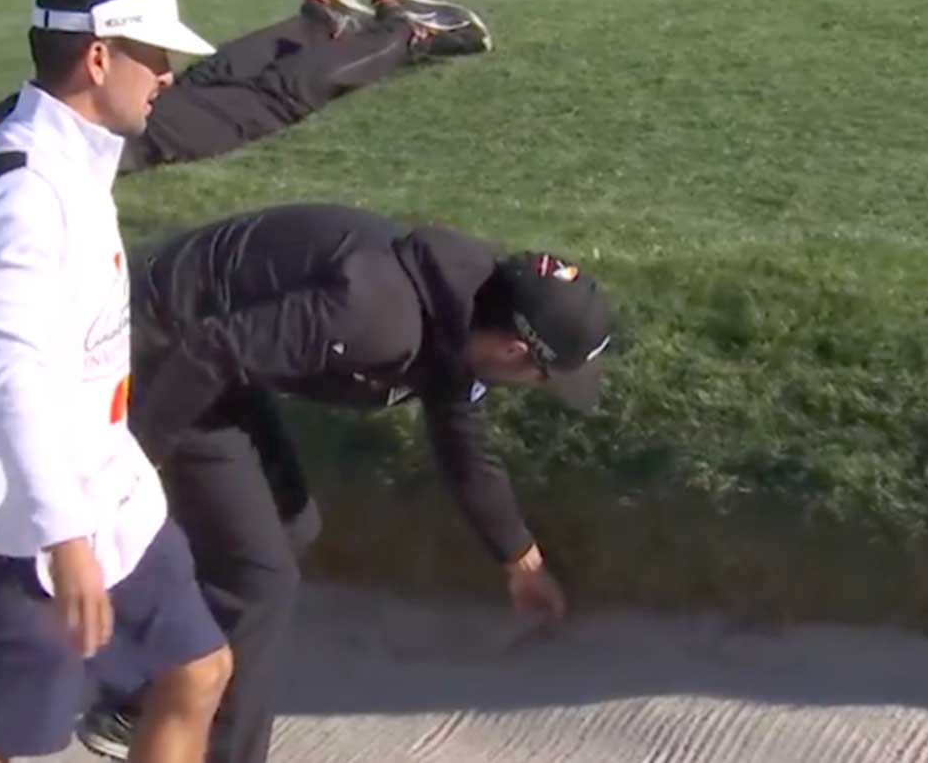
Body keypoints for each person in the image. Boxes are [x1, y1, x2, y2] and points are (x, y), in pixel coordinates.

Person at [78, 203, 614, 762]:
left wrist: (519, 558)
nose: (533, 385)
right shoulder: (376, 317)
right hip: (151, 348)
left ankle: (150, 701)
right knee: (260, 575)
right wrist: (127, 473)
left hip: (216, 352)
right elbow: (206, 353)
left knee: (290, 527)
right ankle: (208, 739)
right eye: (542, 376)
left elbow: (463, 447)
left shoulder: (463, 316)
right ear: (514, 350)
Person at [0, 0, 494, 366]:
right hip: (66, 115)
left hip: (83, 131)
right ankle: (315, 26)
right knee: (192, 96)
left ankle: (410, 32)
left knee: (261, 109)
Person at [0, 0, 234, 763]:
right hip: (18, 531)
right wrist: (66, 539)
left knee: (198, 669)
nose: (167, 76)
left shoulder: (72, 162)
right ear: (99, 57)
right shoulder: (25, 198)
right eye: (156, 55)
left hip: (109, 499)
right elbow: (17, 381)